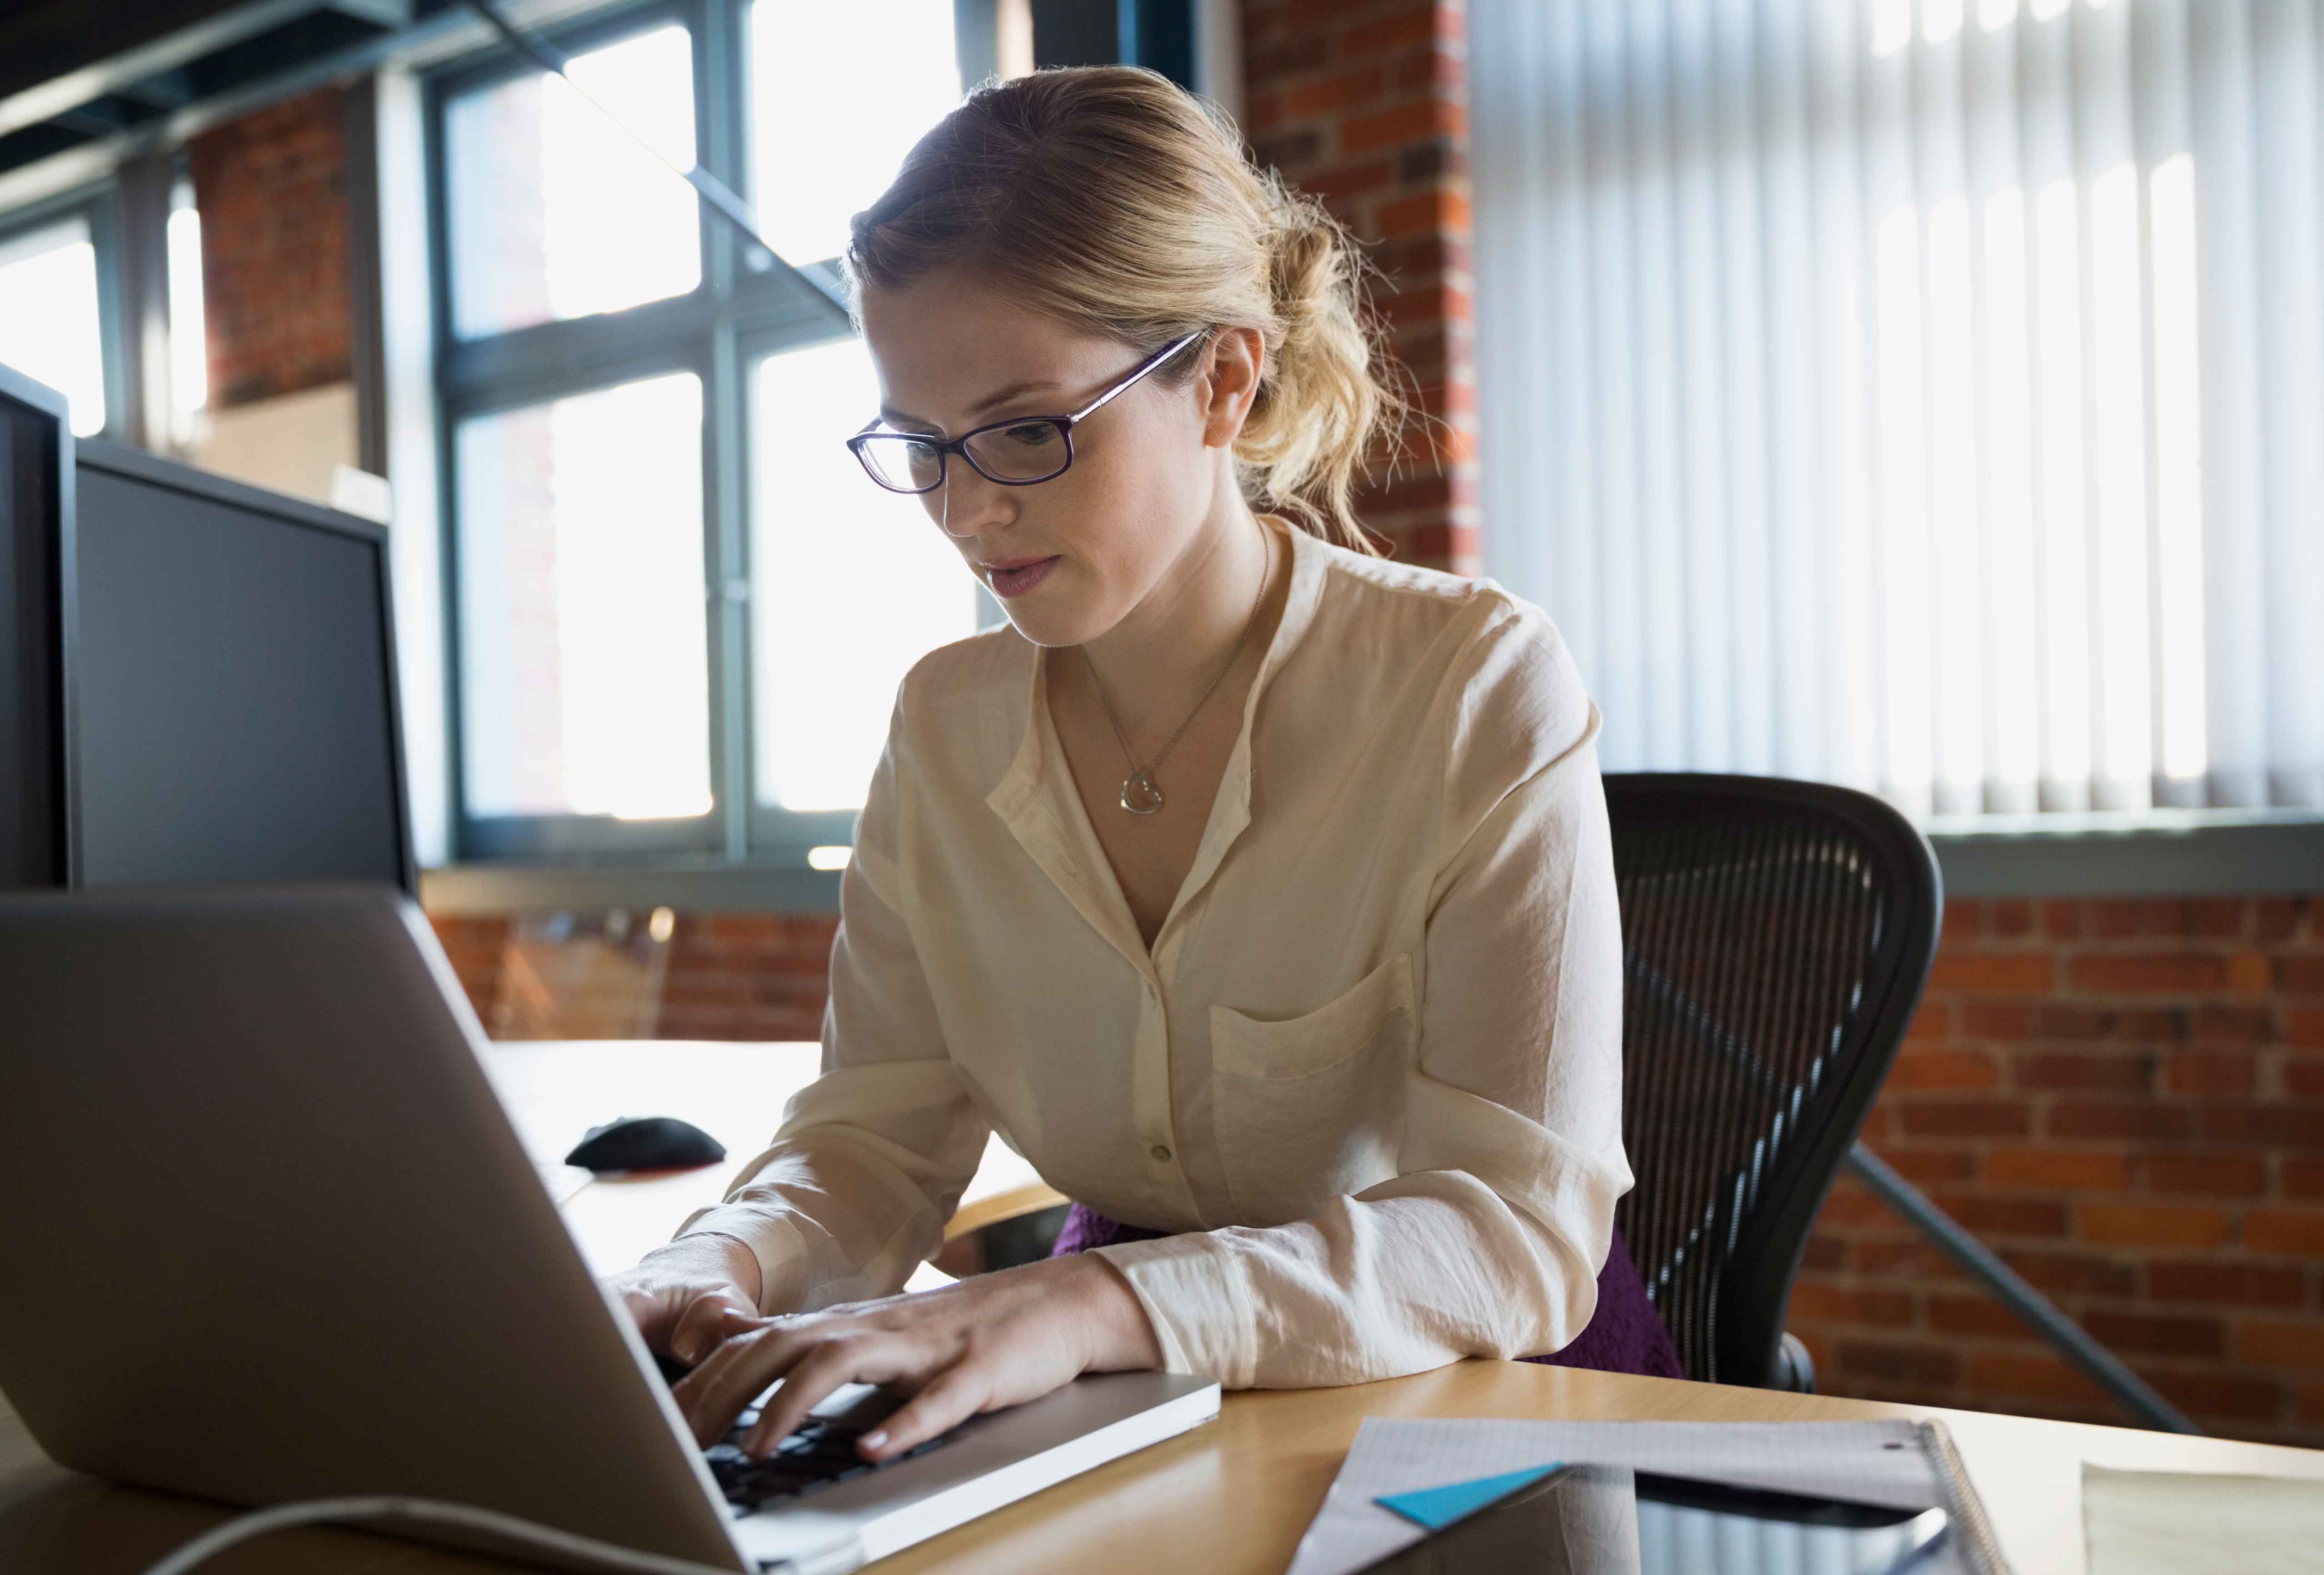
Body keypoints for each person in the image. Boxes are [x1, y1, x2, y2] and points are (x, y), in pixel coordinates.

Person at [610, 63, 1670, 1469]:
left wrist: (1090, 1302)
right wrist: (717, 1259)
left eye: (1025, 430)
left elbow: (1513, 1231)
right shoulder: (943, 727)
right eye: (921, 446)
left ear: (1221, 380)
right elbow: (873, 1140)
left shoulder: (1468, 684)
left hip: (1466, 1389)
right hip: (1116, 1372)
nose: (966, 512)